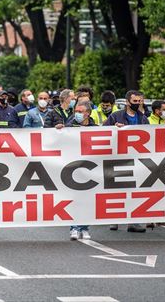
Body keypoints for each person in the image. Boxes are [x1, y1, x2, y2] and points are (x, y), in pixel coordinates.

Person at [104, 90, 149, 233]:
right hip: (118, 158)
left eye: (140, 101)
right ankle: (114, 220)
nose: (138, 104)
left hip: (136, 160)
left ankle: (133, 222)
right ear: (128, 102)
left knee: (134, 191)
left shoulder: (143, 119)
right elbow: (102, 133)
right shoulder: (115, 116)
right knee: (118, 190)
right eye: (135, 101)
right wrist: (113, 128)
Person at [60, 101, 95, 240]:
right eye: (76, 111)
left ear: (88, 113)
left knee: (87, 200)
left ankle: (85, 228)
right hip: (72, 168)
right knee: (75, 199)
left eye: (80, 111)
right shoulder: (69, 125)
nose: (77, 114)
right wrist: (59, 130)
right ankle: (74, 228)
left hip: (90, 168)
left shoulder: (95, 127)